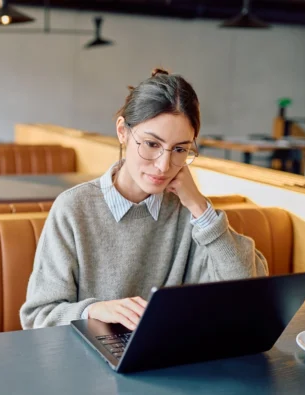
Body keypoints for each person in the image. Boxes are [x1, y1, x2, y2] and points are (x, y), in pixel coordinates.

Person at [19, 68, 268, 331]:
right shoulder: (74, 209)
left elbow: (246, 291)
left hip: (168, 359)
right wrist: (94, 310)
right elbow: (38, 317)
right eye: (151, 144)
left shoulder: (189, 213)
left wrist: (199, 206)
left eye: (180, 149)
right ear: (122, 132)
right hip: (88, 361)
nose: (163, 165)